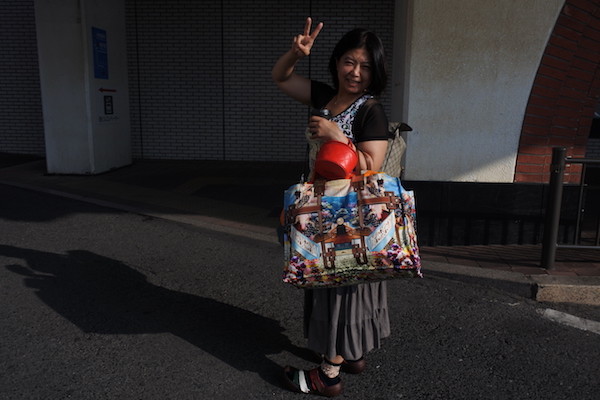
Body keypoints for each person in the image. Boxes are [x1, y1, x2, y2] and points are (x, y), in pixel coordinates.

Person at [272, 18, 391, 397]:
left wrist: (334, 133)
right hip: (319, 210)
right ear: (337, 62)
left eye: (366, 65)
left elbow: (373, 166)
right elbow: (281, 78)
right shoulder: (325, 96)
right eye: (349, 62)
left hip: (347, 218)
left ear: (375, 71)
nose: (356, 72)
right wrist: (296, 53)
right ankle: (350, 353)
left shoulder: (371, 110)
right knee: (335, 286)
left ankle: (328, 374)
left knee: (340, 288)